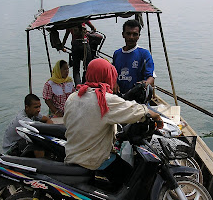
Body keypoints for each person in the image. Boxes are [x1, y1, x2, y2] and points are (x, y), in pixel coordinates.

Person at [63, 58, 162, 186]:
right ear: (107, 76)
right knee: (131, 180)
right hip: (94, 159)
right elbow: (134, 110)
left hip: (73, 154)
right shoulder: (103, 99)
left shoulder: (73, 96)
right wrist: (156, 116)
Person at [112, 19, 155, 94]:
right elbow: (113, 74)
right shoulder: (117, 53)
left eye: (135, 34)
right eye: (128, 34)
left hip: (136, 98)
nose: (131, 37)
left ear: (139, 36)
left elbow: (151, 78)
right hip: (119, 96)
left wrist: (145, 84)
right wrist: (114, 83)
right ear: (123, 34)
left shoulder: (144, 54)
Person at [62, 21, 96, 85]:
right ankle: (85, 84)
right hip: (85, 44)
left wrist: (62, 46)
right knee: (87, 67)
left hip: (75, 45)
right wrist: (89, 32)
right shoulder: (83, 18)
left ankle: (78, 87)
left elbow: (66, 36)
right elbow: (94, 29)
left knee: (76, 69)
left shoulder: (69, 22)